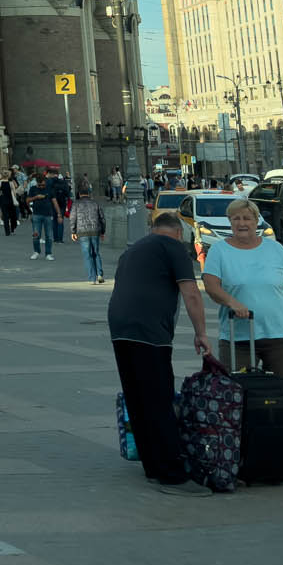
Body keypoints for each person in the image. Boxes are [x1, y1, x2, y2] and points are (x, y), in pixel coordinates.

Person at [108, 209, 212, 495]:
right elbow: (191, 292)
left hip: (119, 327)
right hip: (149, 331)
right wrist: (201, 332)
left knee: (137, 398)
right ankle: (172, 475)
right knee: (158, 399)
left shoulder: (132, 251)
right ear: (179, 233)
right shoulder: (173, 247)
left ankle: (152, 467)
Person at [202, 196, 283, 395]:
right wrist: (232, 302)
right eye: (236, 218)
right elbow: (211, 285)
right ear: (230, 221)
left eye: (247, 218)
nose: (242, 223)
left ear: (256, 221)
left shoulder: (275, 248)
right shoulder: (219, 250)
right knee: (235, 393)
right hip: (238, 337)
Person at [71, 185, 107, 284]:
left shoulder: (76, 204)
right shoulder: (95, 203)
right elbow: (102, 219)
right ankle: (99, 274)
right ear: (89, 194)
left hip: (82, 232)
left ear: (79, 194)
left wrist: (73, 231)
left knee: (87, 255)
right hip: (95, 231)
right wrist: (103, 232)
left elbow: (73, 218)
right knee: (96, 252)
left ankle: (92, 278)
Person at [29, 175, 60, 258]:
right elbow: (27, 200)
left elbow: (55, 202)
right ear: (37, 183)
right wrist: (36, 197)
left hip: (48, 215)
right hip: (36, 214)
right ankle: (36, 251)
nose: (42, 186)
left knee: (49, 236)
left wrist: (59, 214)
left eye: (43, 185)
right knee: (36, 235)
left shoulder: (49, 189)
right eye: (40, 185)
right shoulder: (33, 189)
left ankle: (48, 253)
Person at [0, 170, 20, 240]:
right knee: (12, 215)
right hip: (10, 200)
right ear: (8, 176)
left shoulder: (0, 182)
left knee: (6, 216)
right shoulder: (10, 183)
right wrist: (15, 198)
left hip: (3, 201)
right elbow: (14, 191)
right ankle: (12, 228)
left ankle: (7, 231)